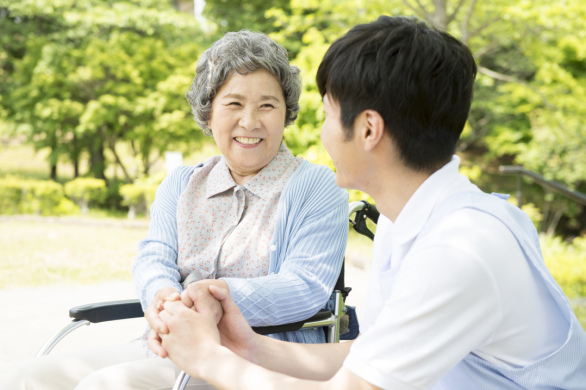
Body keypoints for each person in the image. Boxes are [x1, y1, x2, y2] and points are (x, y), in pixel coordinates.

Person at [155, 16, 586, 390]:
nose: (320, 132)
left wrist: (207, 358)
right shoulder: (407, 223)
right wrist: (245, 343)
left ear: (368, 130)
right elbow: (368, 358)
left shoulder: (461, 248)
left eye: (326, 113)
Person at [1, 31, 348, 390]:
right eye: (233, 104)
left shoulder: (316, 186)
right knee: (26, 378)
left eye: (267, 105)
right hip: (170, 345)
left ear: (286, 112)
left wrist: (213, 299)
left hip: (259, 358)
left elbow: (305, 286)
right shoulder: (182, 184)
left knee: (106, 386)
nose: (250, 121)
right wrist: (164, 298)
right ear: (208, 114)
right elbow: (153, 258)